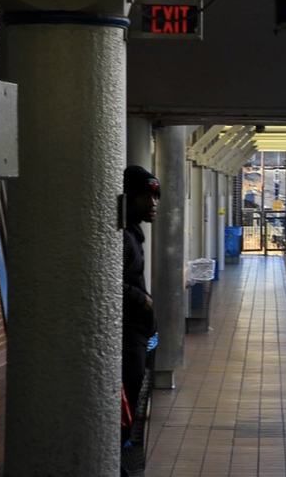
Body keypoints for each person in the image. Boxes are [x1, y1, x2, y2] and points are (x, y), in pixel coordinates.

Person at [122, 165, 159, 446]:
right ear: (128, 198)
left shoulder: (132, 234)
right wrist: (141, 299)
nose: (153, 204)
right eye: (146, 197)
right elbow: (103, 279)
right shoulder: (121, 237)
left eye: (155, 198)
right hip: (126, 335)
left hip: (137, 333)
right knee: (125, 398)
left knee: (133, 396)